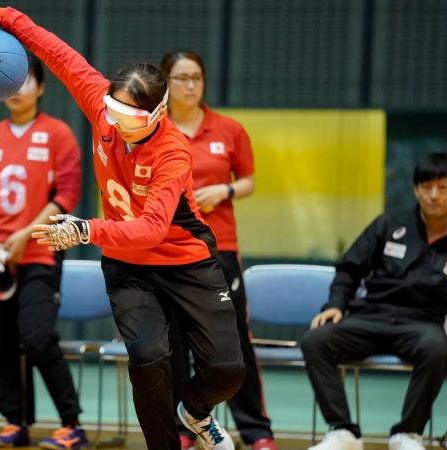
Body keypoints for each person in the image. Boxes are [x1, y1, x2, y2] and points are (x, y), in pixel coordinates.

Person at [0, 9, 245, 450]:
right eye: (111, 109)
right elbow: (56, 52)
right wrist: (2, 15)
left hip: (186, 261)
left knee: (227, 371)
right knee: (148, 357)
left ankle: (196, 413)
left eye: (129, 115)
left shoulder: (174, 152)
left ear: (156, 113)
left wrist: (85, 230)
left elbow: (150, 229)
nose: (114, 121)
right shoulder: (100, 106)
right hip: (129, 267)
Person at [160, 50, 275, 450]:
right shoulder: (153, 129)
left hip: (219, 248)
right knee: (173, 342)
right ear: (166, 83)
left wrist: (223, 190)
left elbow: (248, 181)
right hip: (168, 252)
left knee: (234, 342)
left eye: (197, 77)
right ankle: (185, 427)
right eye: (181, 78)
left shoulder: (229, 130)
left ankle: (256, 430)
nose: (191, 85)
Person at [0, 54, 84, 449]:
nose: (17, 89)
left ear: (41, 86)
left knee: (37, 338)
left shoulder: (59, 134)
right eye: (9, 81)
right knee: (0, 343)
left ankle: (72, 424)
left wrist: (28, 234)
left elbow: (66, 194)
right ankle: (13, 422)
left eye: (25, 80)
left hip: (39, 252)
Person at [301, 153, 447, 450]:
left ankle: (407, 434)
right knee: (316, 340)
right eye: (426, 187)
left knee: (437, 348)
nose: (433, 195)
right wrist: (335, 305)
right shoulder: (389, 224)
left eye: (443, 188)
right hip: (371, 316)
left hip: (421, 323)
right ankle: (344, 432)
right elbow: (349, 268)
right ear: (416, 189)